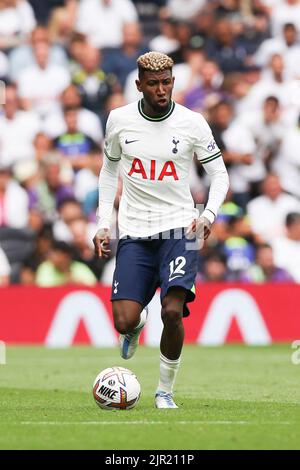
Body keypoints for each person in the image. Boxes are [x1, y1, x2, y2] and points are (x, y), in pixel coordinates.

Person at [93, 51, 229, 409]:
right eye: (153, 83)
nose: (161, 89)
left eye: (166, 82)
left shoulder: (192, 123)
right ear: (139, 85)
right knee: (123, 321)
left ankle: (165, 391)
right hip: (135, 230)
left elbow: (219, 174)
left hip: (179, 229)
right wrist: (104, 222)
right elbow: (109, 172)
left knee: (172, 311)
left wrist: (209, 215)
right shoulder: (119, 120)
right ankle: (136, 327)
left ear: (173, 81)